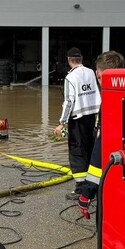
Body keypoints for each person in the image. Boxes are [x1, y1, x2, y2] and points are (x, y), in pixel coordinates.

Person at [78, 51, 125, 220]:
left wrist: (86, 193)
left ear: (99, 75)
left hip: (111, 179)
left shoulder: (109, 104)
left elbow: (99, 155)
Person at [54, 47, 101, 201]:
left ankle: (81, 189)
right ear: (81, 58)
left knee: (77, 153)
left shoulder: (71, 78)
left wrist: (62, 123)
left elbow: (69, 102)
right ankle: (93, 185)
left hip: (77, 119)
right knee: (90, 150)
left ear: (69, 60)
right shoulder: (91, 73)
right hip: (94, 118)